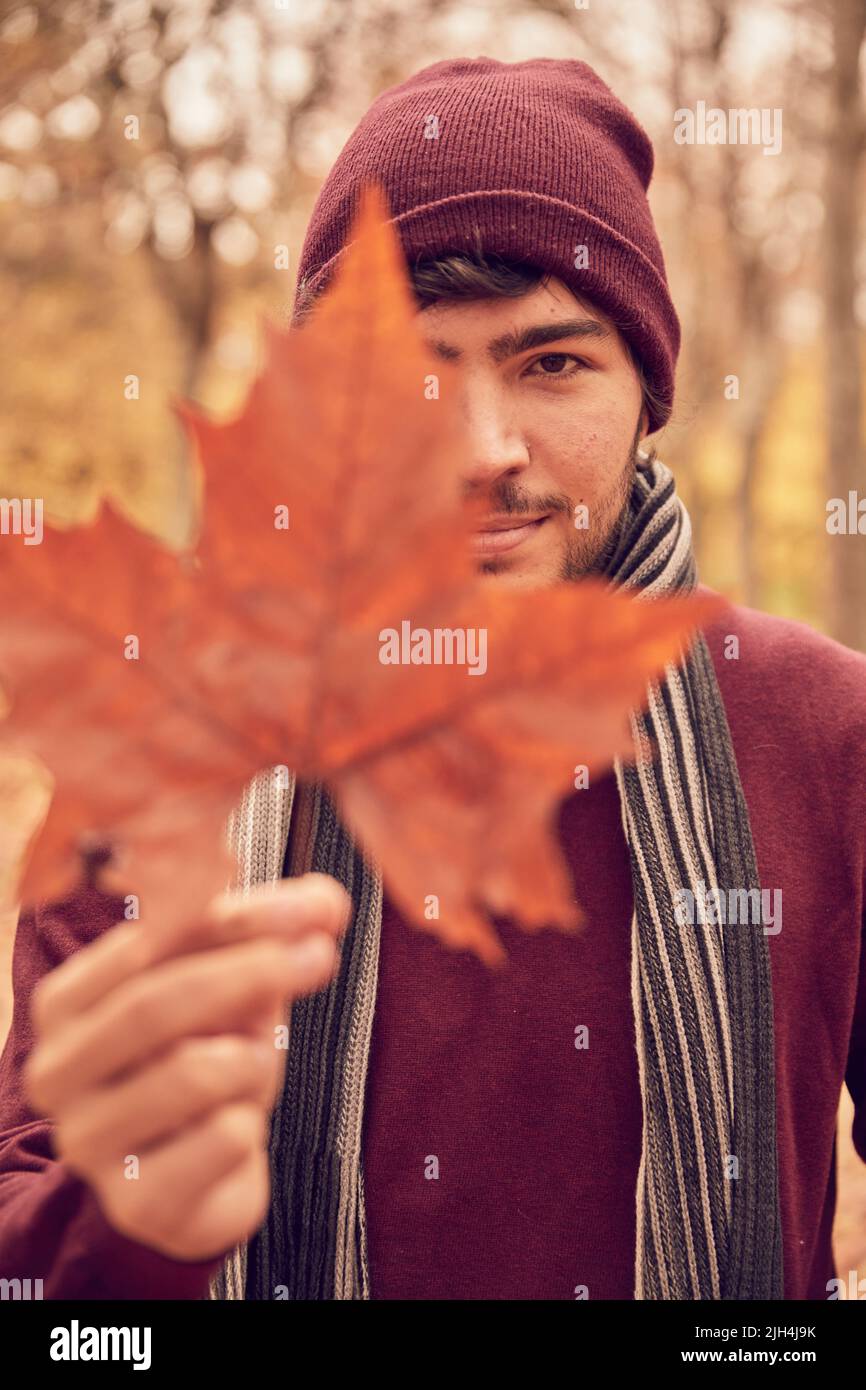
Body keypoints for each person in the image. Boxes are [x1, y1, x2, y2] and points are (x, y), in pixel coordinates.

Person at [1, 57, 864, 1302]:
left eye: (551, 364)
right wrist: (116, 1225)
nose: (481, 449)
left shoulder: (821, 733)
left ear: (645, 397)